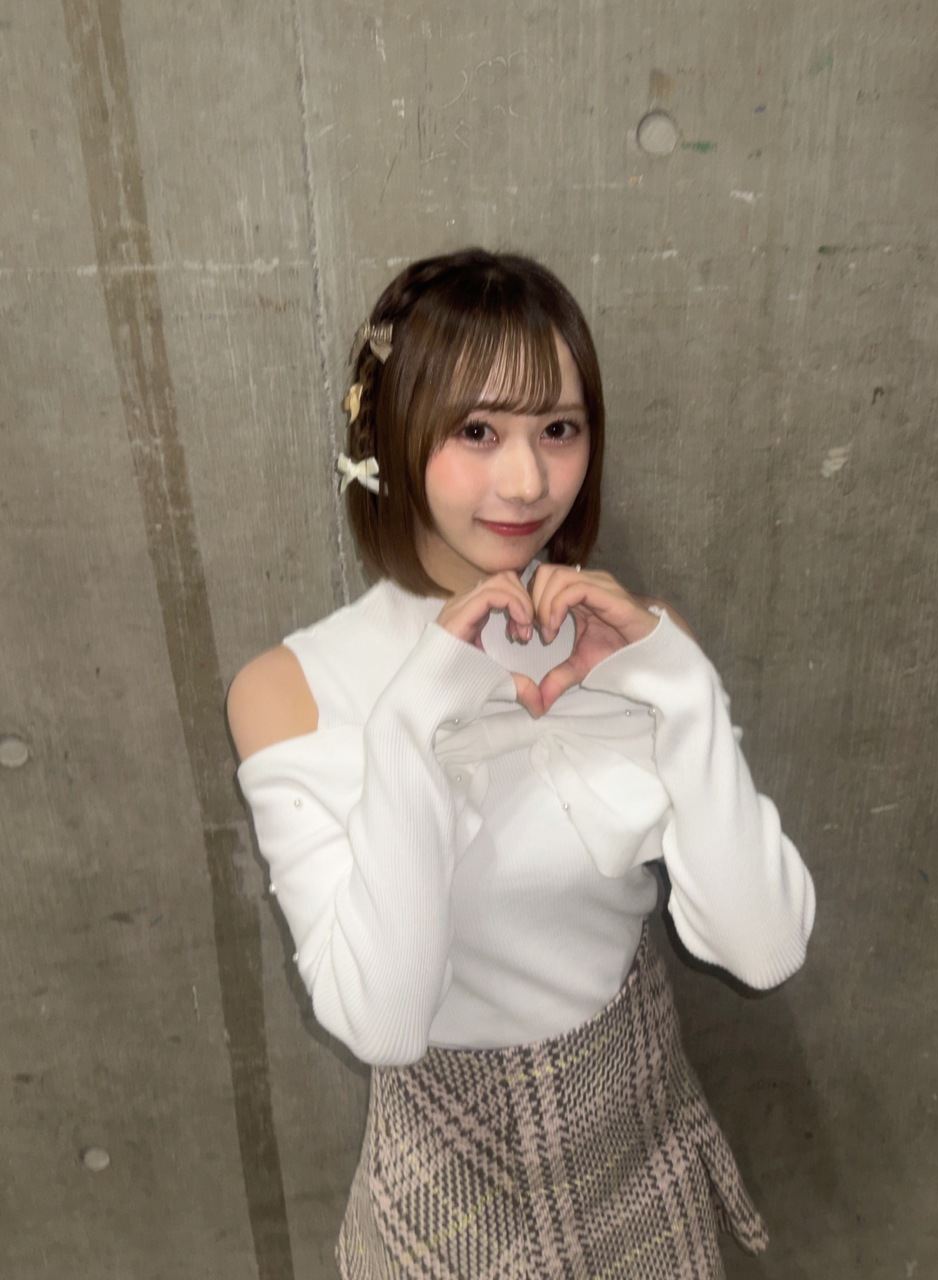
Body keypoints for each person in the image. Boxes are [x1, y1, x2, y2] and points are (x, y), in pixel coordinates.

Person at [227, 248, 816, 1280]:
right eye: (476, 431)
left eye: (559, 428)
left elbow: (764, 951)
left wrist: (678, 688)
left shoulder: (640, 642)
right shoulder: (290, 689)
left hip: (641, 1145)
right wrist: (416, 724)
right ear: (391, 436)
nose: (528, 480)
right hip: (445, 1186)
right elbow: (383, 1022)